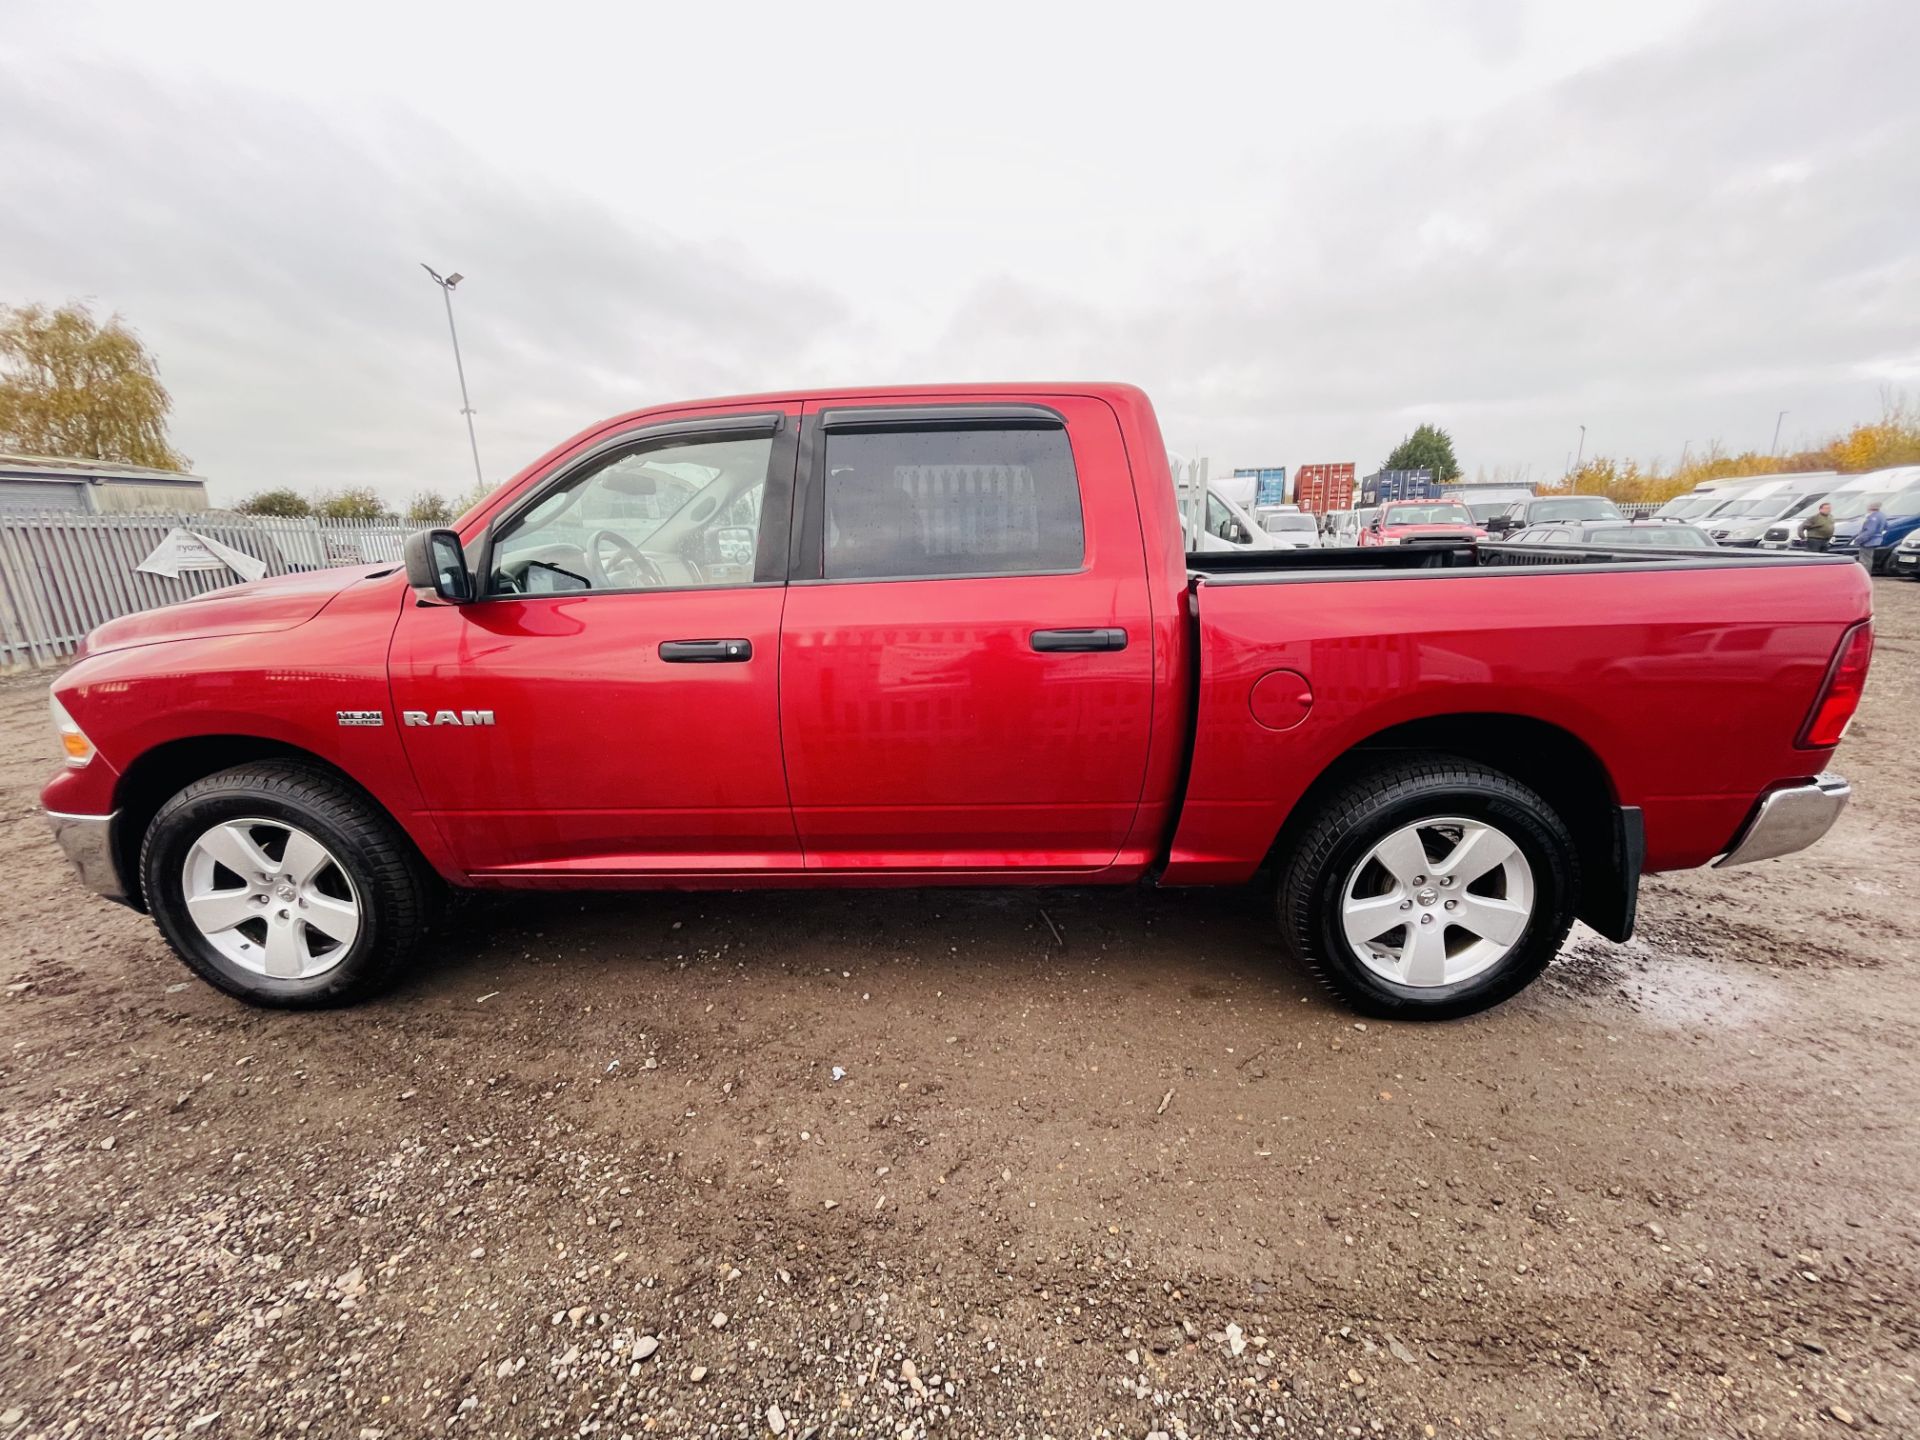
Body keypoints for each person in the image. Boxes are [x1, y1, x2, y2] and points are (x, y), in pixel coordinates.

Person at [1855, 500, 1890, 568]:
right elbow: (1886, 527)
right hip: (1876, 540)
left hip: (1868, 541)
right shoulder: (1882, 515)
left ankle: (1865, 576)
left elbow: (1869, 531)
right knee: (1869, 559)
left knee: (1865, 560)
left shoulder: (1872, 517)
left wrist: (1858, 540)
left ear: (1870, 507)